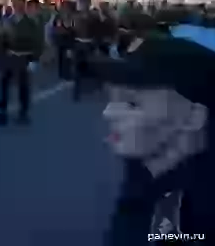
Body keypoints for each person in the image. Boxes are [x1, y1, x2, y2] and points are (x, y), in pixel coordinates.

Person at [92, 33, 215, 245]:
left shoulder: (197, 210)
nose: (109, 112)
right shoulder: (150, 165)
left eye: (133, 103)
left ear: (194, 117)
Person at [0, 0, 42, 127]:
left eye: (19, 4)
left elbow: (38, 42)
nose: (17, 7)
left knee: (23, 87)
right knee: (3, 86)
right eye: (15, 4)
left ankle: (23, 113)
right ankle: (2, 113)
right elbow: (0, 41)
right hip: (9, 57)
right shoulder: (7, 21)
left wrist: (34, 60)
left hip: (24, 57)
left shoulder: (30, 23)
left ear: (24, 5)